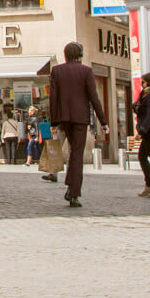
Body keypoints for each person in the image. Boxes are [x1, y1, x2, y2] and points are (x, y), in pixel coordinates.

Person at [48, 41, 107, 208]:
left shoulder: (57, 71)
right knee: (77, 155)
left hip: (64, 117)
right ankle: (73, 192)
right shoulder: (86, 71)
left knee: (71, 153)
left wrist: (54, 121)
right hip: (80, 118)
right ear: (80, 55)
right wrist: (103, 121)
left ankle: (70, 187)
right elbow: (94, 97)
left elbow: (53, 98)